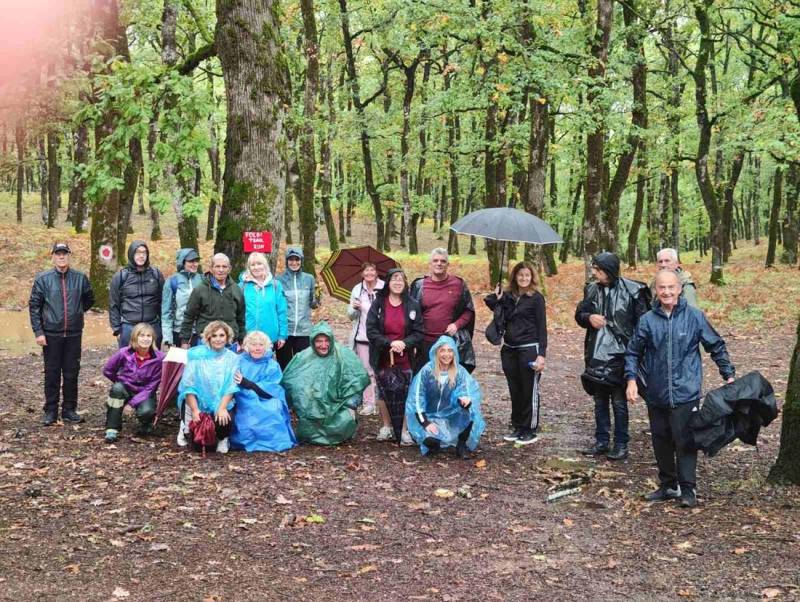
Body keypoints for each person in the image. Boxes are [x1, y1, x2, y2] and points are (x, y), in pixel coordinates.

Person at [625, 270, 735, 508]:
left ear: (679, 289)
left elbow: (715, 345)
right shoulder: (647, 320)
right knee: (661, 439)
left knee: (684, 440)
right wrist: (631, 380)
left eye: (671, 287)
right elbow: (633, 352)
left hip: (686, 391)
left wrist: (728, 374)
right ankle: (668, 485)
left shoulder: (694, 317)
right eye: (662, 288)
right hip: (656, 392)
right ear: (656, 290)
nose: (666, 292)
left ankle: (688, 489)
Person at [575, 252, 650, 460]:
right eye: (594, 268)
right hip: (596, 353)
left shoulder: (633, 291)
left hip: (622, 355)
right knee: (599, 400)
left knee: (619, 401)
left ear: (608, 270)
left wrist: (637, 353)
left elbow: (643, 323)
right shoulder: (591, 289)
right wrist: (589, 318)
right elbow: (579, 315)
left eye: (598, 269)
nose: (594, 272)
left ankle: (621, 443)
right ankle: (601, 441)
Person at [29, 242, 95, 425]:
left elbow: (89, 299)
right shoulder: (43, 279)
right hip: (51, 334)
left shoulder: (80, 278)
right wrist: (38, 331)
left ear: (69, 255)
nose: (61, 256)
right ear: (53, 256)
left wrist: (76, 313)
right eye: (58, 253)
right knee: (52, 373)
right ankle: (50, 410)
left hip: (74, 334)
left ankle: (69, 410)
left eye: (64, 253)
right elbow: (34, 306)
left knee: (71, 373)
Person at [484, 261, 547, 445]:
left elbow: (542, 328)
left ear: (532, 277)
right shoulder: (509, 296)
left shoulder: (536, 298)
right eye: (520, 275)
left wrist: (541, 354)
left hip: (529, 348)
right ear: (515, 277)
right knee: (515, 389)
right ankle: (518, 426)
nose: (524, 278)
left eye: (527, 275)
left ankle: (529, 429)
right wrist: (498, 295)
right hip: (509, 349)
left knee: (529, 389)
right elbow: (491, 303)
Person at [281, 321, 369, 446]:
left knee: (342, 425)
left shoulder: (343, 355)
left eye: (326, 340)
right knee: (308, 431)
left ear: (331, 340)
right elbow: (290, 380)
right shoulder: (303, 357)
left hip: (338, 406)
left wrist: (351, 405)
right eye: (318, 341)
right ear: (312, 341)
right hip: (311, 407)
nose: (323, 345)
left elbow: (357, 379)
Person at [366, 268, 424, 444]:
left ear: (405, 283)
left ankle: (404, 430)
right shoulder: (379, 303)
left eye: (401, 279)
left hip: (405, 357)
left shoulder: (413, 304)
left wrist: (404, 343)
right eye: (394, 279)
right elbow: (371, 330)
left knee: (405, 392)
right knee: (383, 392)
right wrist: (389, 343)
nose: (398, 282)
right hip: (383, 355)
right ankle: (386, 426)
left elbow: (419, 332)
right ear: (388, 282)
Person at [405, 336, 485, 458]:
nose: (446, 354)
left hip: (451, 415)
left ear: (454, 353)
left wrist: (464, 400)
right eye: (442, 350)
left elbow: (466, 391)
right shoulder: (427, 371)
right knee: (430, 441)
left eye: (450, 350)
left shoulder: (460, 372)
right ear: (436, 352)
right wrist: (425, 423)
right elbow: (416, 399)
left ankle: (461, 444)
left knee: (471, 410)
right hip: (429, 416)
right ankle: (435, 441)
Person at [176, 321, 241, 453]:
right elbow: (189, 386)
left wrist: (222, 408)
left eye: (222, 335)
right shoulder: (197, 356)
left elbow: (231, 386)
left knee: (224, 419)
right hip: (197, 402)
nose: (218, 339)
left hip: (221, 401)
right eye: (214, 336)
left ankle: (223, 438)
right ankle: (185, 426)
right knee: (198, 446)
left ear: (227, 337)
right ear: (208, 338)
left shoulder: (233, 358)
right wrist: (195, 410)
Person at [409, 248, 475, 374]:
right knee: (424, 380)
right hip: (425, 344)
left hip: (449, 344)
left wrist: (456, 325)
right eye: (435, 260)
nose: (439, 263)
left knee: (448, 380)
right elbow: (410, 313)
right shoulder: (419, 285)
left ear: (448, 264)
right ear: (430, 264)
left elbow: (468, 310)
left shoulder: (458, 284)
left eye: (443, 261)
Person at [230, 331, 296, 453]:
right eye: (254, 344)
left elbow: (273, 387)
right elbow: (232, 383)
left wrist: (249, 384)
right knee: (248, 410)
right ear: (247, 346)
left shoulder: (272, 365)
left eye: (261, 345)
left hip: (265, 396)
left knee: (274, 407)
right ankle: (248, 440)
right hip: (243, 396)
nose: (257, 348)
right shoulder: (238, 361)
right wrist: (246, 388)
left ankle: (273, 441)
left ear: (266, 347)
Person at [102, 322, 164, 442]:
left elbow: (152, 386)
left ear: (153, 339)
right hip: (125, 387)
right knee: (117, 389)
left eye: (148, 336)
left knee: (146, 411)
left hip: (145, 391)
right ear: (135, 337)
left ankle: (145, 425)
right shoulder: (124, 352)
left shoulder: (159, 358)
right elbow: (108, 370)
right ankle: (112, 428)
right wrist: (119, 381)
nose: (145, 339)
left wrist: (131, 404)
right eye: (142, 335)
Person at [180, 253, 245, 349]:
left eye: (224, 267)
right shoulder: (200, 290)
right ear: (211, 268)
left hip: (230, 343)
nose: (221, 270)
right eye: (217, 266)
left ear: (229, 269)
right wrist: (185, 341)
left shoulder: (236, 289)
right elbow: (189, 316)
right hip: (206, 342)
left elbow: (241, 318)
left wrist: (242, 340)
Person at [109, 240, 164, 348]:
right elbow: (113, 304)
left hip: (152, 324)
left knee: (153, 357)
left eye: (144, 253)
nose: (141, 256)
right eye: (138, 252)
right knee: (128, 358)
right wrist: (117, 330)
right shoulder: (121, 276)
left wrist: (162, 327)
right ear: (131, 254)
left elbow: (163, 302)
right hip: (129, 326)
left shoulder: (156, 274)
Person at [347, 262, 384, 416]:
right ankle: (369, 403)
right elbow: (350, 315)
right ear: (362, 274)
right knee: (367, 371)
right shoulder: (357, 289)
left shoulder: (384, 287)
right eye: (366, 271)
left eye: (372, 270)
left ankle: (382, 402)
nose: (369, 273)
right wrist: (354, 308)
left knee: (381, 370)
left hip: (381, 337)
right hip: (363, 336)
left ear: (376, 272)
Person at [276, 246, 320, 369]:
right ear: (286, 261)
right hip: (285, 331)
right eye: (291, 259)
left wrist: (317, 298)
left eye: (297, 259)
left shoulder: (309, 278)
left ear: (301, 261)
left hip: (304, 331)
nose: (294, 262)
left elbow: (313, 304)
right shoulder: (278, 280)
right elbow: (276, 305)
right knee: (284, 366)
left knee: (302, 367)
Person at [239, 252, 288, 350]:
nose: (256, 267)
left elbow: (282, 311)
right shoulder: (242, 286)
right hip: (248, 336)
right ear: (249, 268)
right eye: (253, 265)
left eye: (259, 264)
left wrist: (282, 335)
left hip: (269, 336)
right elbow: (237, 313)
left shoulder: (275, 285)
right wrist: (239, 336)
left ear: (265, 265)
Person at [161, 248, 202, 348]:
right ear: (182, 262)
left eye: (196, 261)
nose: (194, 264)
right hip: (179, 332)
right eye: (191, 261)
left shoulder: (203, 279)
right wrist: (168, 338)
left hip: (199, 332)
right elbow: (166, 312)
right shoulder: (172, 281)